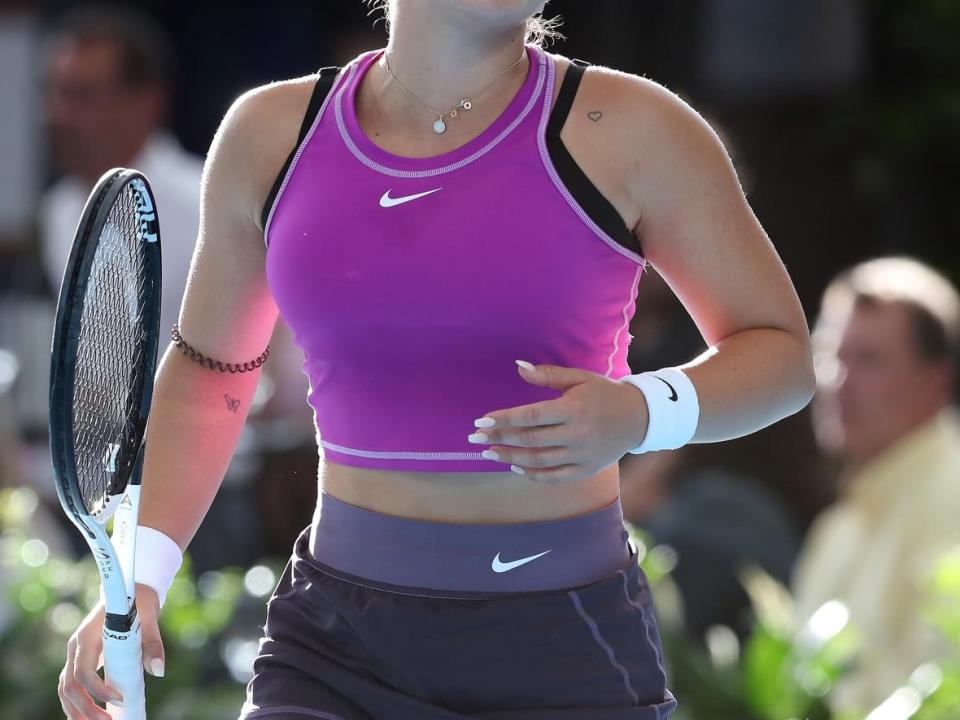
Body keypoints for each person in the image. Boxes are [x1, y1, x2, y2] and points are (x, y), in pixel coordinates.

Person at [57, 1, 816, 718]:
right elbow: (210, 370)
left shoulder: (635, 128)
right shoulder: (269, 131)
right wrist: (141, 578)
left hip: (561, 640)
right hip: (332, 645)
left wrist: (640, 411)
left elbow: (781, 357)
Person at [792, 256, 960, 714]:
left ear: (937, 377)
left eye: (868, 360)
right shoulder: (834, 530)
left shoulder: (954, 499)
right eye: (830, 354)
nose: (837, 381)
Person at [39, 5, 202, 348]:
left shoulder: (207, 205)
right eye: (55, 92)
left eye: (82, 96)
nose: (58, 115)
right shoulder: (57, 210)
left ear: (147, 102)